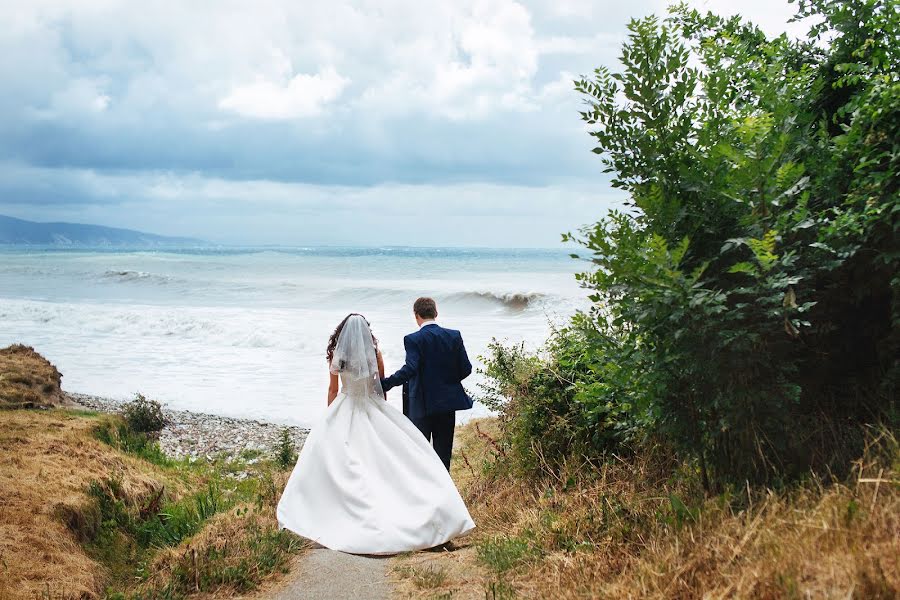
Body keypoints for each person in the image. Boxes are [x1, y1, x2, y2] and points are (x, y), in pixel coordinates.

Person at [276, 313, 474, 555]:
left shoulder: (338, 357)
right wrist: (382, 409)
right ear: (366, 332)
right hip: (370, 405)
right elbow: (379, 386)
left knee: (338, 461)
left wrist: (330, 417)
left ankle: (328, 510)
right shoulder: (374, 354)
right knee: (386, 457)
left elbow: (332, 389)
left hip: (345, 406)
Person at [381, 297, 473, 471]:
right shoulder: (454, 336)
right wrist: (447, 382)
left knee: (419, 453)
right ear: (436, 313)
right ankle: (445, 493)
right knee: (443, 455)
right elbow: (466, 369)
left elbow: (410, 369)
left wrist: (386, 384)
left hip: (421, 405)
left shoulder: (413, 339)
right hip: (447, 404)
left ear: (416, 316)